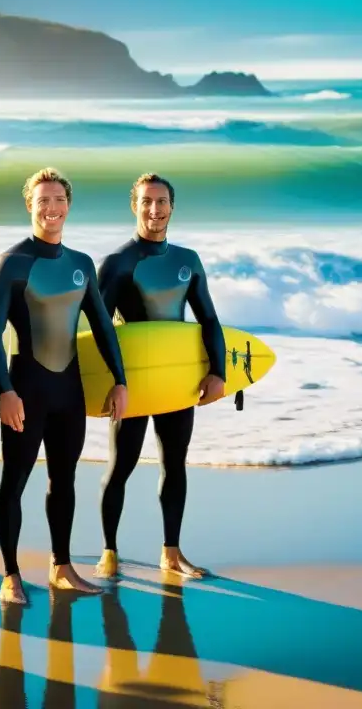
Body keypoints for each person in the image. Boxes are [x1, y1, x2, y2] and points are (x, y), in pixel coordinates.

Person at [0, 167, 128, 602]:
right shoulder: (9, 265)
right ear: (30, 205)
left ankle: (61, 567)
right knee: (15, 482)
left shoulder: (81, 264)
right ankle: (9, 576)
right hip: (25, 391)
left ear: (68, 205)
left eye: (58, 200)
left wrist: (120, 380)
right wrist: (5, 391)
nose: (51, 208)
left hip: (70, 391)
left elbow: (102, 326)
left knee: (64, 481)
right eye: (42, 201)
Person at [94, 173, 226, 581]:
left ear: (172, 205)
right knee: (121, 467)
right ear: (134, 206)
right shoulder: (118, 263)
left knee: (175, 465)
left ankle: (171, 553)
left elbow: (208, 319)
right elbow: (97, 330)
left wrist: (218, 372)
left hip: (175, 383)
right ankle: (109, 551)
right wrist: (109, 383)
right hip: (131, 384)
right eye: (147, 201)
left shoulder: (188, 261)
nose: (155, 209)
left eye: (162, 201)